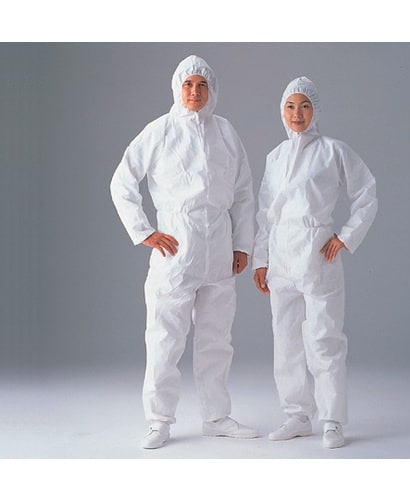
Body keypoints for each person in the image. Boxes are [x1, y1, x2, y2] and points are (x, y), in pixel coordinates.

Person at [110, 55, 258, 449]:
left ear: (212, 91)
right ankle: (159, 420)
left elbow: (243, 192)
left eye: (202, 85)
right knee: (164, 338)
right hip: (176, 250)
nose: (195, 91)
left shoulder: (225, 132)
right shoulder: (159, 131)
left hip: (219, 250)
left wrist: (242, 244)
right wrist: (144, 231)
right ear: (177, 88)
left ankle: (216, 416)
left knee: (217, 340)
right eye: (188, 84)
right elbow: (122, 181)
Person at [253, 76, 377, 449]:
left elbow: (367, 192)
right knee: (286, 339)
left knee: (324, 338)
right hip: (281, 255)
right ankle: (296, 415)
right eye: (290, 106)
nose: (297, 114)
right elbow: (265, 212)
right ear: (282, 111)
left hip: (316, 252)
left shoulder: (332, 151)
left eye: (304, 106)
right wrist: (261, 259)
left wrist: (346, 237)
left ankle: (332, 420)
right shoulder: (275, 156)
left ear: (315, 111)